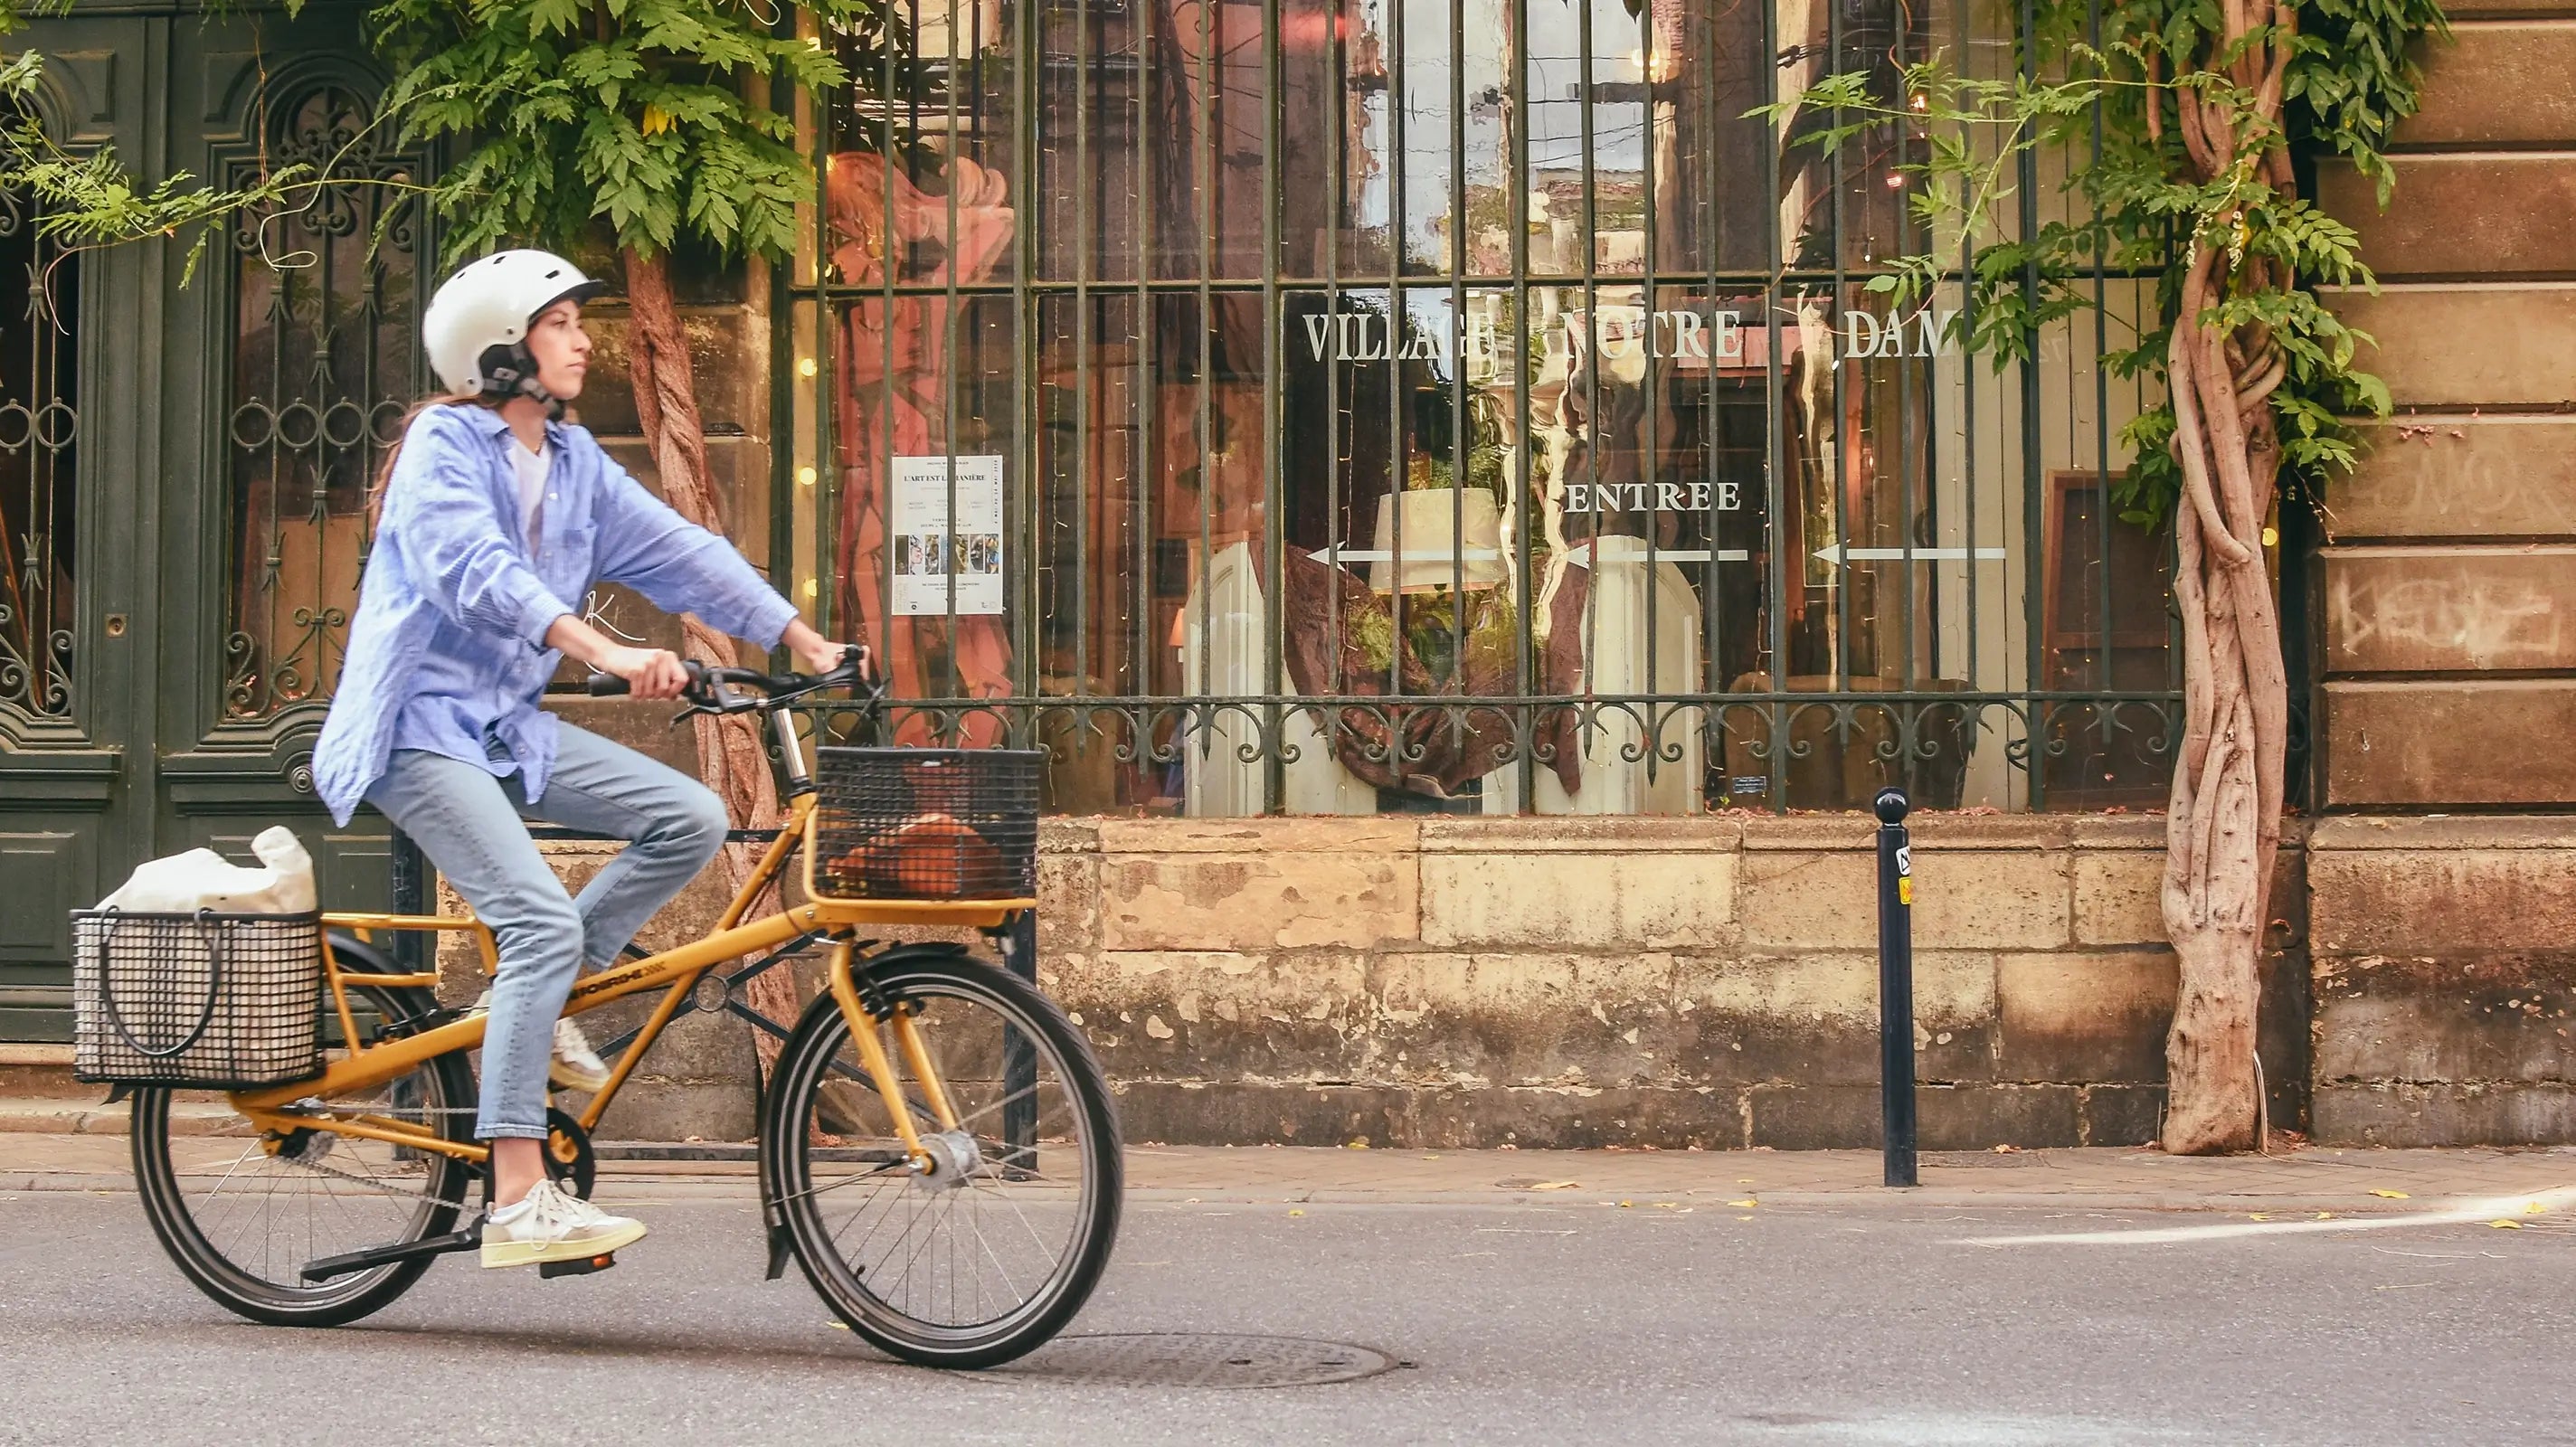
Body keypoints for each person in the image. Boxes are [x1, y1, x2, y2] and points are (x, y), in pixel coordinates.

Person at [311, 250, 848, 1269]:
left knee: (687, 816)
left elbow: (681, 549)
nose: (583, 338)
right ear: (501, 349)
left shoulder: (571, 461)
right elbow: (477, 571)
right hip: (417, 727)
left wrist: (800, 636)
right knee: (539, 919)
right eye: (560, 323)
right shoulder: (442, 446)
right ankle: (518, 1195)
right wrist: (603, 648)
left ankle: (536, 1001)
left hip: (506, 728)